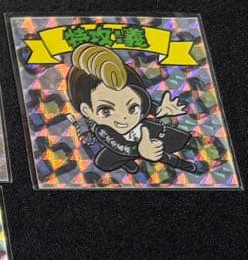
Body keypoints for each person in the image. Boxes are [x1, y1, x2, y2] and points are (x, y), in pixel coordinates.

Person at [66, 43, 202, 175]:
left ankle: (180, 162)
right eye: (106, 111)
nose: (123, 117)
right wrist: (141, 150)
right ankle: (131, 163)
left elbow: (148, 106)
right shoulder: (101, 130)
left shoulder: (141, 102)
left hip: (147, 132)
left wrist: (161, 110)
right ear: (87, 111)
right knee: (102, 162)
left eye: (132, 108)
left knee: (178, 141)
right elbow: (119, 146)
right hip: (124, 147)